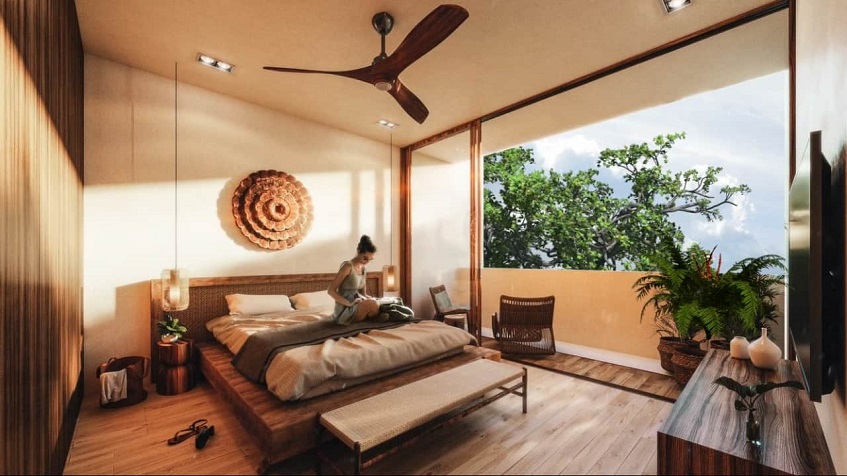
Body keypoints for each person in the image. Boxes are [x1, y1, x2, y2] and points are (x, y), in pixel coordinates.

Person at [328, 235, 382, 324]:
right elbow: (331, 291)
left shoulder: (363, 269)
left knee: (381, 303)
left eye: (370, 259)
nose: (367, 262)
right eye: (365, 258)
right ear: (358, 251)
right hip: (345, 308)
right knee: (372, 305)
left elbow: (363, 294)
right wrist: (349, 303)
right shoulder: (347, 266)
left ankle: (375, 316)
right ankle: (374, 317)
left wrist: (375, 299)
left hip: (358, 303)